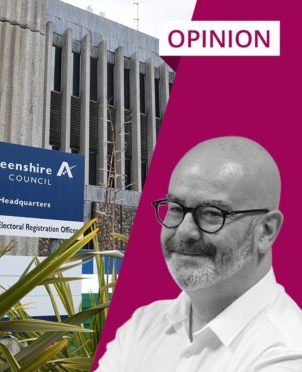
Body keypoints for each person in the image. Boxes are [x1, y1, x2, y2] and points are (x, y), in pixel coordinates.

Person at [96, 136, 302, 372]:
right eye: (175, 208)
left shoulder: (287, 354)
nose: (184, 231)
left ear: (266, 231)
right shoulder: (143, 324)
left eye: (213, 213)